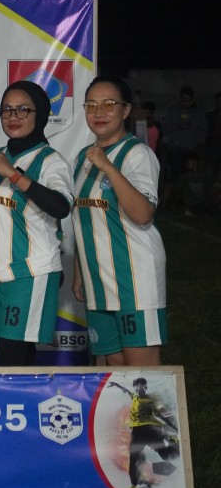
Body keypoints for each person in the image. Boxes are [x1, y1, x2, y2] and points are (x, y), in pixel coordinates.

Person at [0, 80, 73, 366]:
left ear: (41, 114)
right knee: (17, 360)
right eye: (7, 110)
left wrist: (14, 175)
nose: (13, 116)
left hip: (29, 272)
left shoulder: (50, 161)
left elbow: (61, 206)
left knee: (11, 359)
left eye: (23, 109)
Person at [71, 76, 167, 366]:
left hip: (134, 280)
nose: (98, 112)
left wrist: (109, 168)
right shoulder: (83, 158)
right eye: (91, 105)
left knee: (142, 374)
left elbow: (143, 213)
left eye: (108, 104)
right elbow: (83, 218)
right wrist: (79, 270)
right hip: (98, 281)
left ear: (125, 111)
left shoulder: (138, 154)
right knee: (114, 370)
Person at [106, 378, 180, 488]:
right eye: (137, 386)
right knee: (133, 458)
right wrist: (116, 384)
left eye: (142, 386)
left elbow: (161, 415)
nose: (139, 388)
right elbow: (126, 391)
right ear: (135, 388)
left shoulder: (150, 399)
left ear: (145, 387)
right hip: (137, 432)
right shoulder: (135, 397)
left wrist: (175, 427)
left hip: (150, 429)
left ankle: (175, 449)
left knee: (164, 453)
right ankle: (133, 487)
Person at [159, 86, 207, 210]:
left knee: (190, 178)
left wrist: (197, 142)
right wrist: (171, 140)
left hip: (191, 149)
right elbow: (166, 127)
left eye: (189, 100)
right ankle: (163, 204)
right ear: (181, 98)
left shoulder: (198, 112)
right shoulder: (173, 110)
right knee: (171, 177)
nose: (186, 103)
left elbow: (203, 130)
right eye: (184, 100)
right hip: (175, 148)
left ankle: (190, 204)